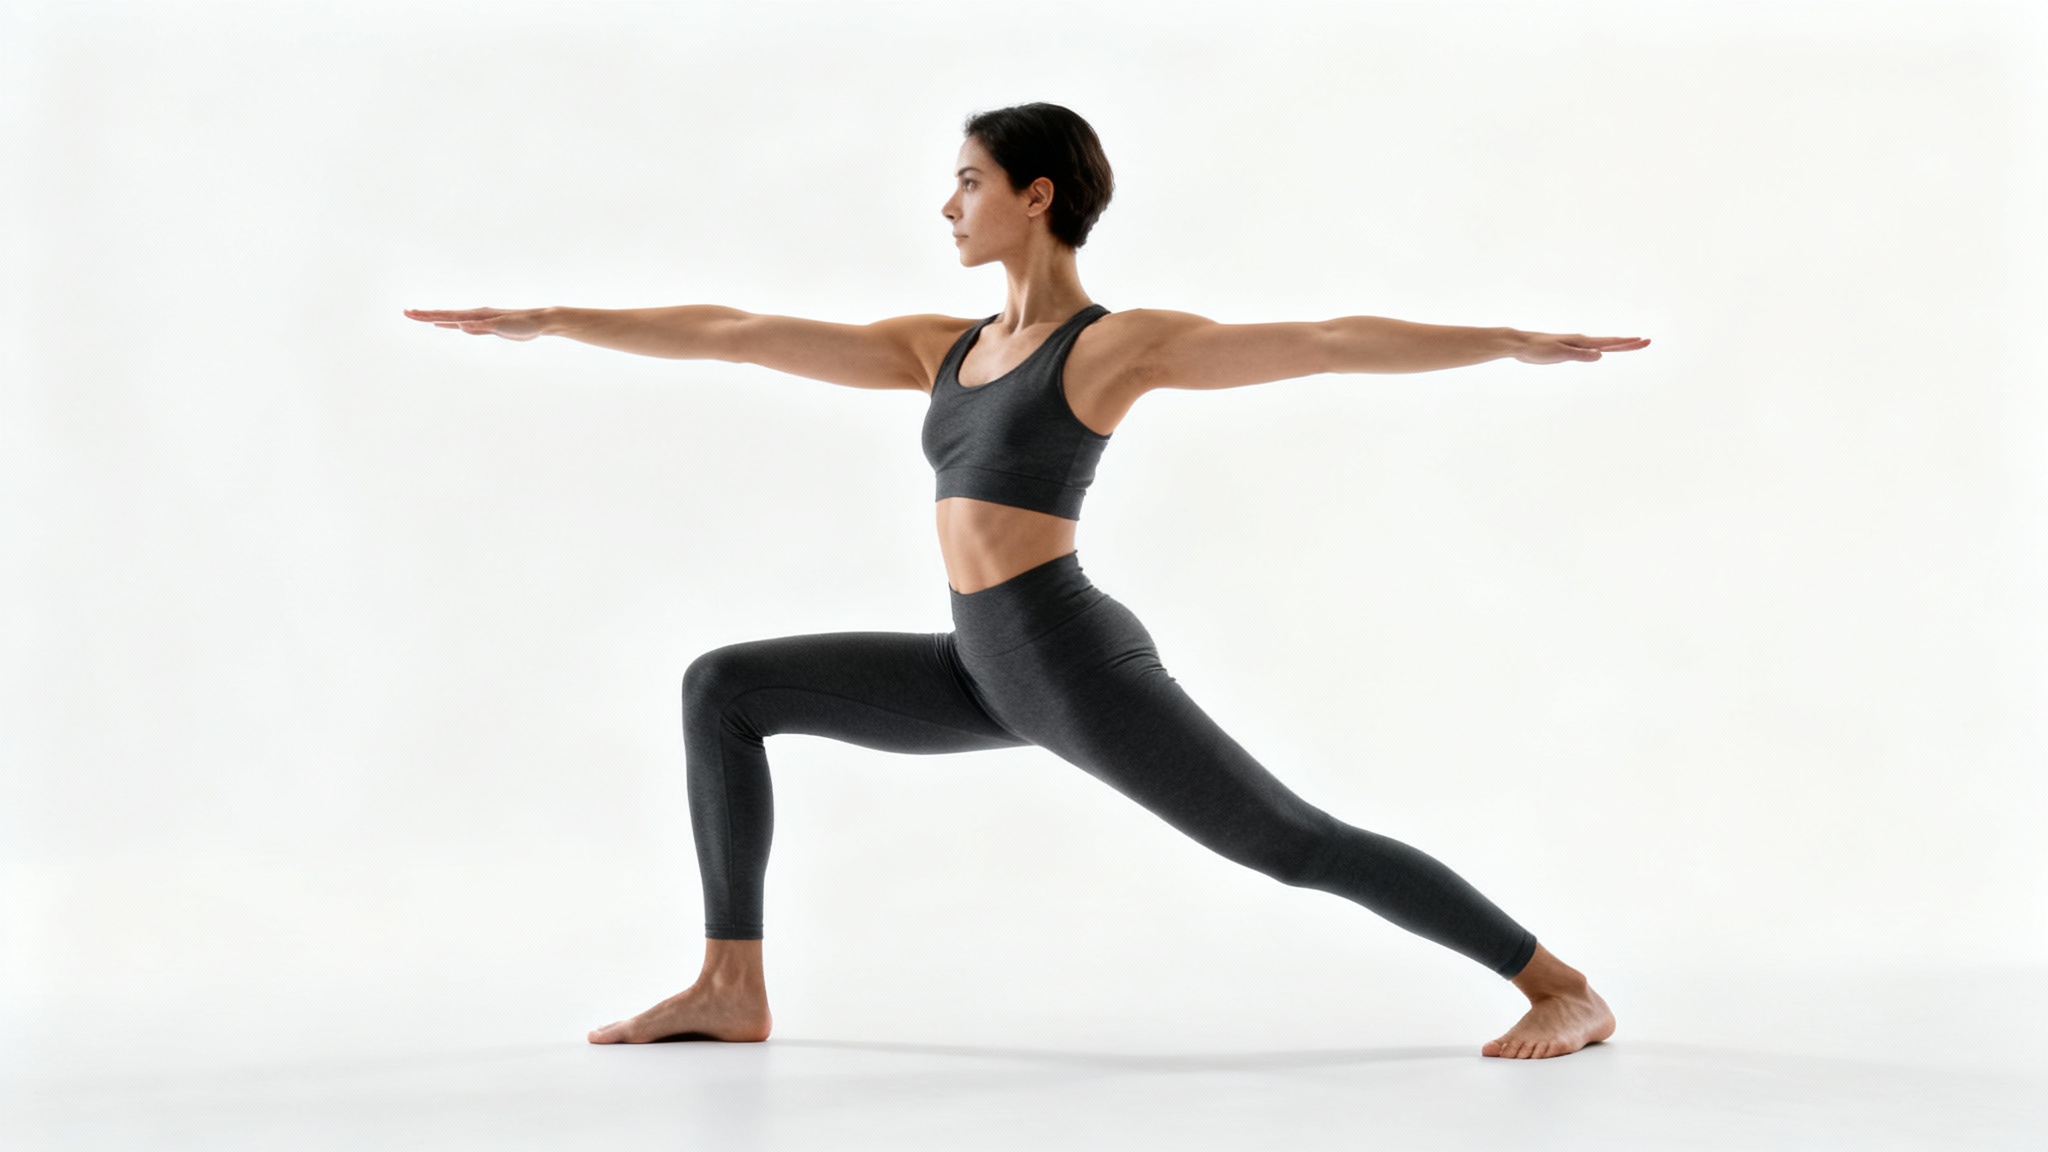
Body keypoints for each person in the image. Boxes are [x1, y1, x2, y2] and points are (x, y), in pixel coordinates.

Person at [405, 102, 1643, 1060]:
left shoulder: (1109, 349)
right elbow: (735, 330)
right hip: (977, 666)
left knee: (1286, 843)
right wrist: (557, 317)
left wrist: (1507, 341)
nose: (946, 203)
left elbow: (1320, 343)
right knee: (724, 685)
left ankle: (1558, 986)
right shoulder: (939, 351)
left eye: (966, 181)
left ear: (1032, 195)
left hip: (1064, 662)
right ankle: (731, 985)